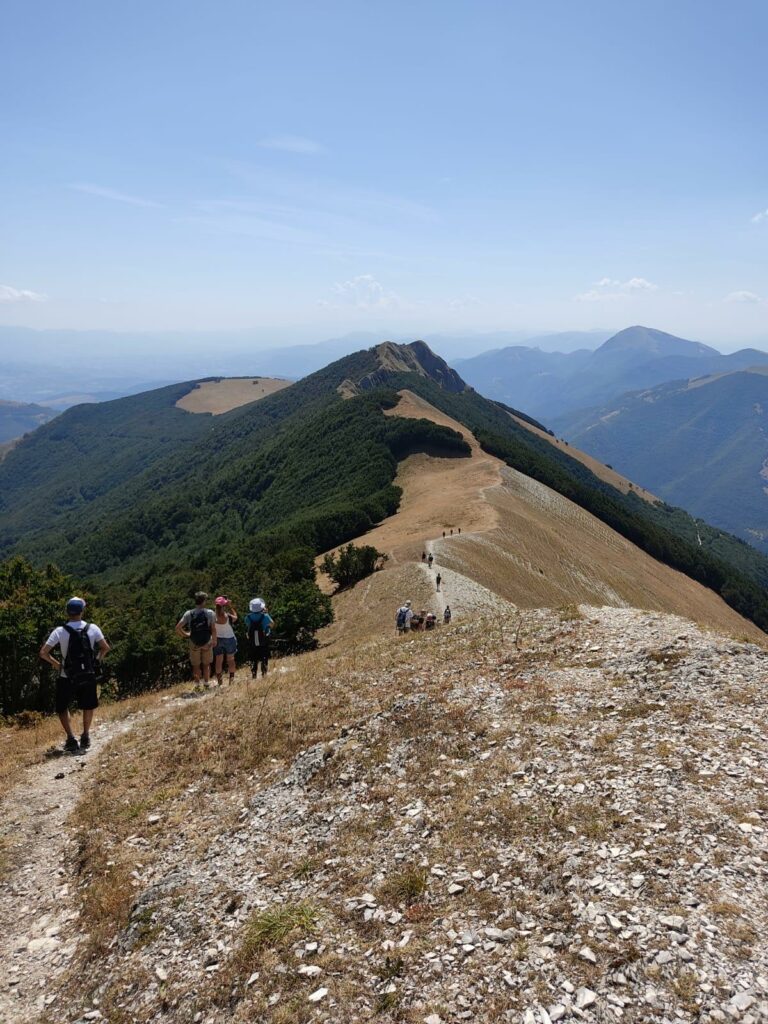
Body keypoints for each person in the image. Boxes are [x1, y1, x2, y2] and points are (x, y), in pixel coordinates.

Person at [39, 597, 110, 752]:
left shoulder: (60, 631)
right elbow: (105, 648)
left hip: (67, 675)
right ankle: (85, 735)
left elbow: (43, 652)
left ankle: (71, 738)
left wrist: (57, 665)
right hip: (87, 674)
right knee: (88, 705)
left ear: (67, 612)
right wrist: (96, 661)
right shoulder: (93, 628)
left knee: (63, 707)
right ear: (82, 611)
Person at [175, 592, 217, 686]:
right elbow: (213, 629)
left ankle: (197, 685)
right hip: (207, 641)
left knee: (196, 665)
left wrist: (185, 634)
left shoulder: (188, 613)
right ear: (204, 601)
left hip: (194, 642)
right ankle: (206, 683)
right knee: (206, 664)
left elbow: (177, 627)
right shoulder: (210, 613)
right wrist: (214, 640)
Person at [245, 598, 274, 679]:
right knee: (264, 657)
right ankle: (264, 674)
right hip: (263, 640)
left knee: (253, 658)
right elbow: (272, 624)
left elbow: (247, 625)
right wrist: (266, 613)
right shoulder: (265, 616)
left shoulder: (248, 617)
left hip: (252, 641)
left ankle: (254, 674)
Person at [213, 596, 238, 685]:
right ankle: (231, 680)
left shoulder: (213, 616)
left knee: (218, 660)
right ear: (224, 606)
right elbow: (236, 617)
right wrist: (230, 606)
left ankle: (220, 682)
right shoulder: (227, 616)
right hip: (229, 638)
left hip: (218, 639)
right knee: (231, 660)